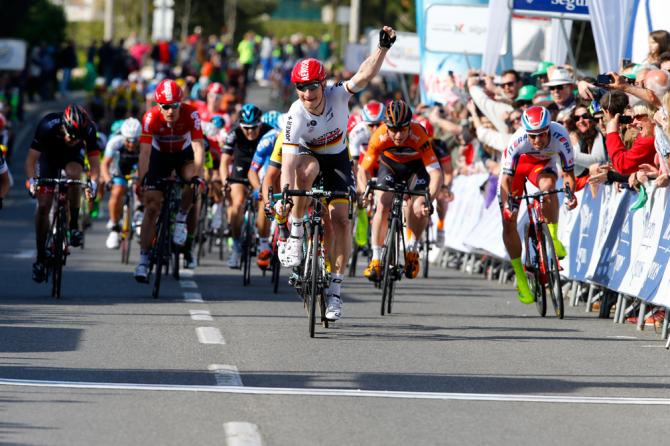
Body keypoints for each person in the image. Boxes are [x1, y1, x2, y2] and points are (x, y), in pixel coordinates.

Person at [278, 26, 398, 321]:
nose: (308, 94)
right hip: (308, 156)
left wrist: (382, 48)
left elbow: (364, 75)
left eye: (313, 87)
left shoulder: (338, 95)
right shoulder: (295, 114)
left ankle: (334, 290)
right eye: (301, 88)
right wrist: (285, 196)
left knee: (341, 221)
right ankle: (295, 234)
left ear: (323, 84)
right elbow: (288, 164)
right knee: (305, 171)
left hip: (337, 158)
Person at [498, 106, 577, 304]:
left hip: (541, 167)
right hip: (516, 169)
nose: (536, 141)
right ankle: (521, 276)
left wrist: (570, 194)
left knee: (549, 187)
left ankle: (553, 236)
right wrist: (508, 204)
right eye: (532, 136)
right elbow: (506, 180)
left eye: (541, 135)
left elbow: (568, 174)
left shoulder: (560, 135)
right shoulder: (518, 140)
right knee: (508, 222)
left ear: (549, 129)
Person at [359, 100, 443, 281]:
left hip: (415, 167)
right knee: (382, 205)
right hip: (389, 166)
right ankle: (375, 258)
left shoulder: (419, 134)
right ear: (386, 126)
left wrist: (430, 199)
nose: (397, 135)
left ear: (409, 126)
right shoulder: (379, 135)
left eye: (402, 129)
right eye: (393, 129)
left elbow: (436, 172)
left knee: (419, 207)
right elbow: (363, 169)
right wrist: (365, 191)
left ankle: (412, 248)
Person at [134, 79, 205, 282]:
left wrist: (199, 174)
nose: (171, 111)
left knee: (193, 179)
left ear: (180, 103)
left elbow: (199, 147)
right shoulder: (150, 117)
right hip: (159, 157)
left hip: (182, 155)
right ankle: (143, 260)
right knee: (152, 206)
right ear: (158, 105)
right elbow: (145, 152)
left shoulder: (191, 114)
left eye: (175, 105)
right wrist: (142, 179)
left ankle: (181, 217)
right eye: (166, 106)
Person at [25, 104, 101, 282]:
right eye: (70, 135)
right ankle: (41, 258)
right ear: (63, 126)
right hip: (48, 159)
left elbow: (95, 163)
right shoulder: (47, 124)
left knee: (75, 176)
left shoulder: (89, 129)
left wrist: (94, 183)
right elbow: (31, 159)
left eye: (78, 137)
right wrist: (32, 180)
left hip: (72, 158)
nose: (73, 139)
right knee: (43, 205)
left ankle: (73, 226)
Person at [219, 103, 272, 268]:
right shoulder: (234, 133)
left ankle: (263, 243)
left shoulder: (269, 132)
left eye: (254, 128)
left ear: (260, 124)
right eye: (246, 128)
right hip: (241, 171)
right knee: (237, 204)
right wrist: (224, 181)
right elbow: (224, 161)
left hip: (262, 169)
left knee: (264, 204)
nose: (250, 132)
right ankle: (236, 246)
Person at [101, 118, 141, 249]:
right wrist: (107, 180)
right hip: (119, 168)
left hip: (137, 167)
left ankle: (139, 214)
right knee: (117, 191)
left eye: (135, 140)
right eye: (128, 140)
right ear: (123, 137)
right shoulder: (115, 142)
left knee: (142, 186)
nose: (131, 144)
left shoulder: (145, 143)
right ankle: (114, 227)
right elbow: (105, 164)